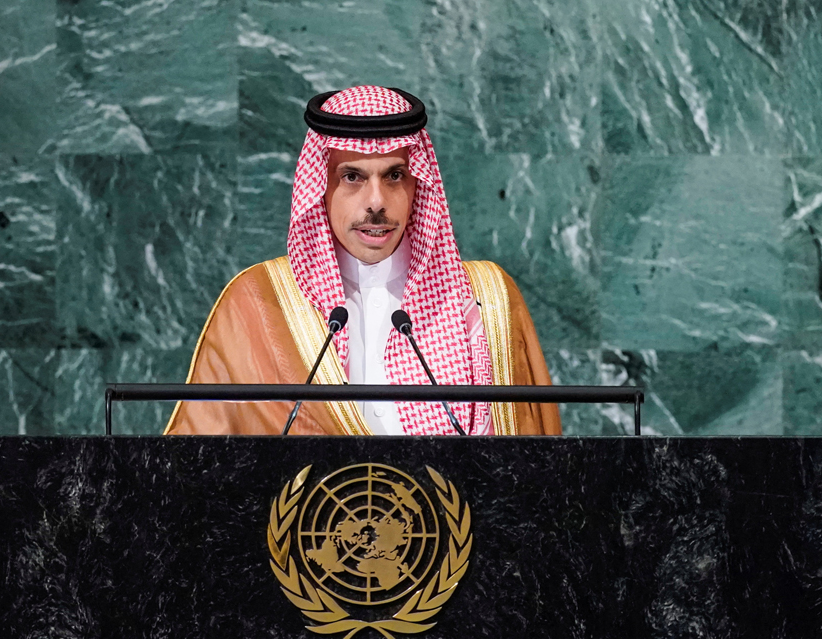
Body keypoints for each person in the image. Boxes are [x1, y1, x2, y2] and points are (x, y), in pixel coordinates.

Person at [164, 86, 561, 436]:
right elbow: (192, 473)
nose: (376, 202)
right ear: (319, 186)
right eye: (352, 177)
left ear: (417, 183)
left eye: (393, 176)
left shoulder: (485, 302)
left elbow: (544, 471)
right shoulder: (254, 304)